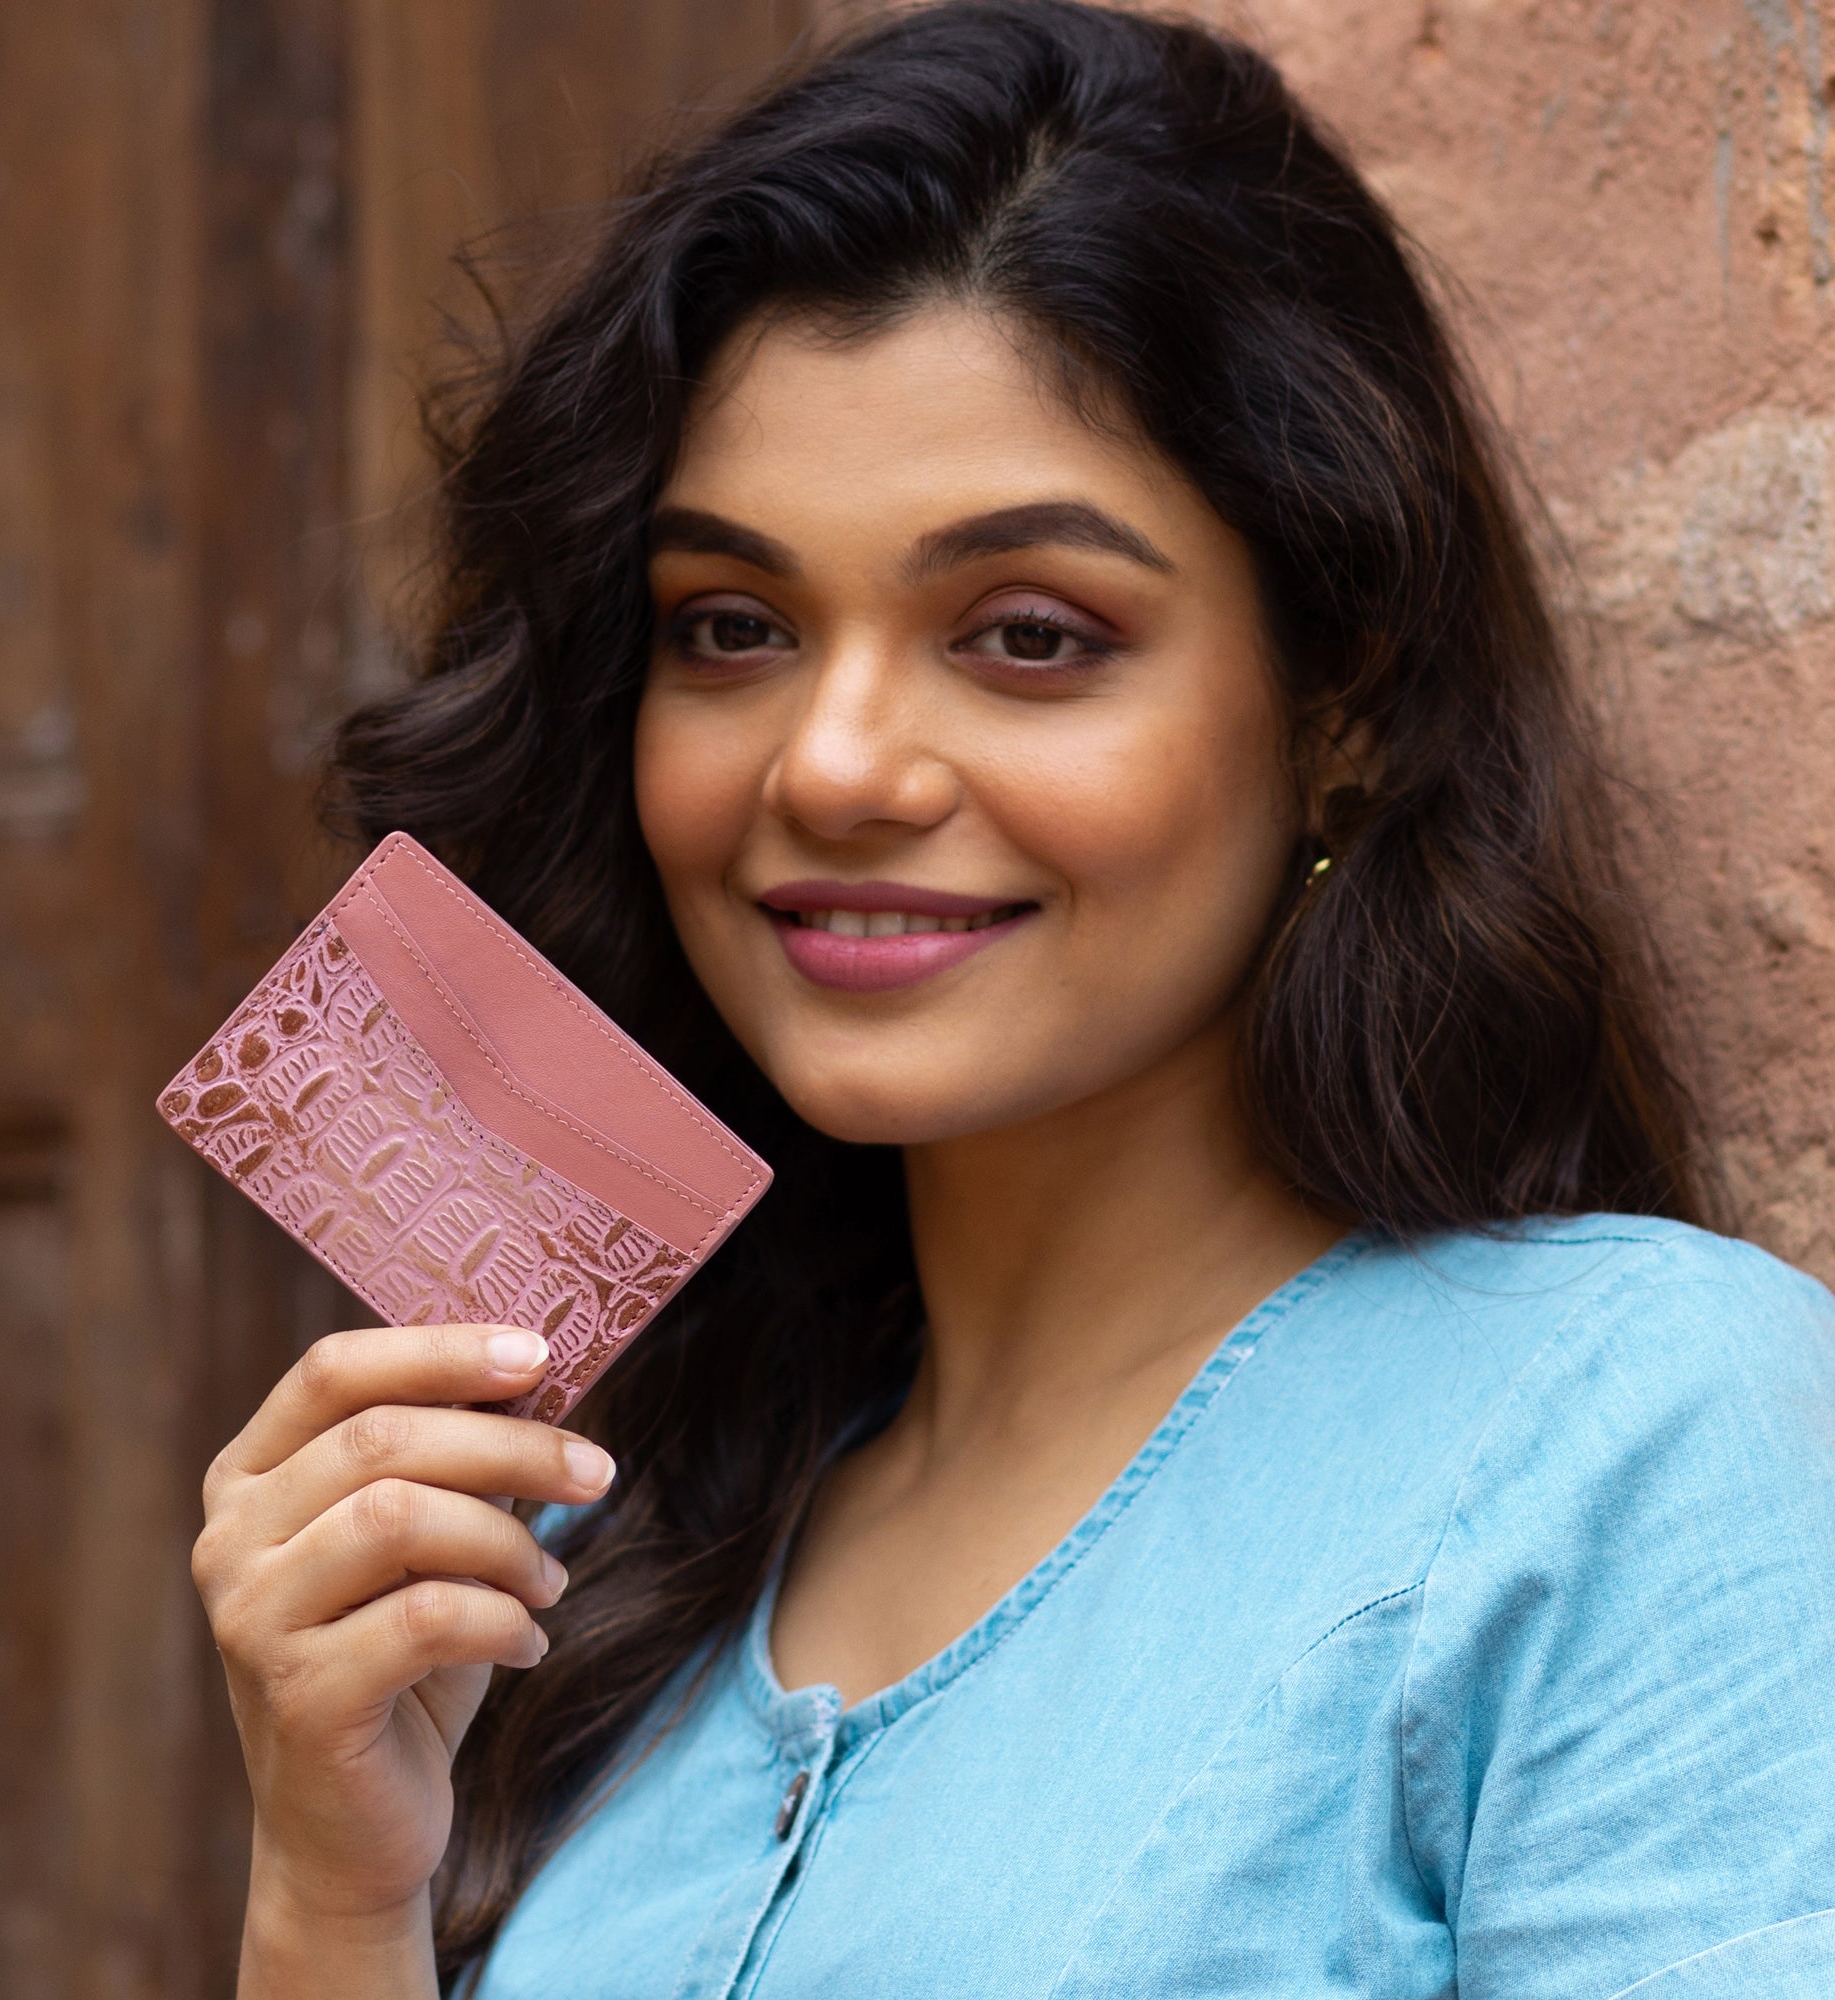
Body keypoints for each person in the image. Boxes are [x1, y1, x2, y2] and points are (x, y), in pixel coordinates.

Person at [190, 4, 1835, 1994]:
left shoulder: (1633, 1438)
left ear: (1341, 706)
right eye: (731, 626)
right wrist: (334, 1896)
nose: (835, 765)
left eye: (1028, 636)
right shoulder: (614, 1575)